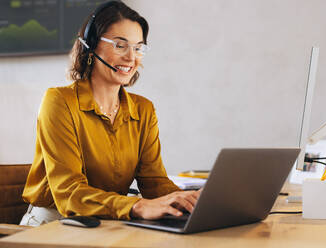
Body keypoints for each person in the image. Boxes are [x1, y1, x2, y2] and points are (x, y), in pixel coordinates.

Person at [20, 1, 200, 226]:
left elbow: (154, 182)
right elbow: (69, 192)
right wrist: (137, 205)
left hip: (111, 218)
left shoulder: (143, 110)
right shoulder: (58, 102)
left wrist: (189, 201)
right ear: (91, 45)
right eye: (120, 45)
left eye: (138, 48)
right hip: (56, 221)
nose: (131, 58)